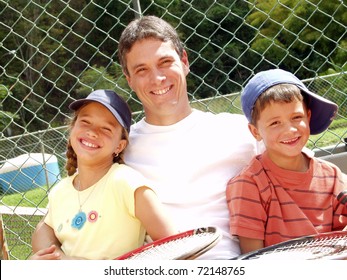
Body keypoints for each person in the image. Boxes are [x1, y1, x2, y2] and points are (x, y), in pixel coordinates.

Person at [32, 15, 258, 260]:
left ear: (184, 61)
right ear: (129, 79)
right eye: (142, 70)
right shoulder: (118, 150)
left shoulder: (239, 131)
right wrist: (55, 260)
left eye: (165, 62)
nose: (157, 78)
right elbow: (53, 219)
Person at [31, 89, 176, 260]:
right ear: (72, 129)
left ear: (119, 146)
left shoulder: (125, 182)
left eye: (106, 129)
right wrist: (48, 259)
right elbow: (42, 232)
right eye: (85, 122)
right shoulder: (60, 191)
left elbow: (174, 243)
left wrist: (68, 264)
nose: (92, 132)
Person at [226, 68, 347, 254]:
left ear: (308, 116)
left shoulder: (332, 176)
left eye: (296, 117)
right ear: (255, 132)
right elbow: (252, 258)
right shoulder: (249, 184)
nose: (290, 130)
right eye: (275, 123)